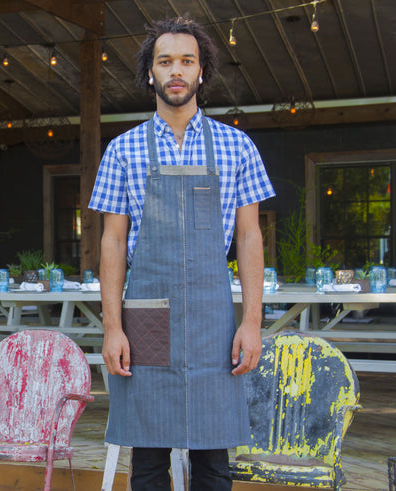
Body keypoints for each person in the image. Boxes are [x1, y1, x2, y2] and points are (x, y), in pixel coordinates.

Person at [88, 17, 275, 491]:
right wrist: (112, 328)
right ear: (150, 73)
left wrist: (252, 322)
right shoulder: (123, 150)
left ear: (202, 72)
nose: (176, 70)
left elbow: (250, 237)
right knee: (148, 459)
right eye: (165, 61)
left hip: (214, 319)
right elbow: (111, 241)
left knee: (213, 460)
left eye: (186, 61)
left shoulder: (238, 147)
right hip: (146, 316)